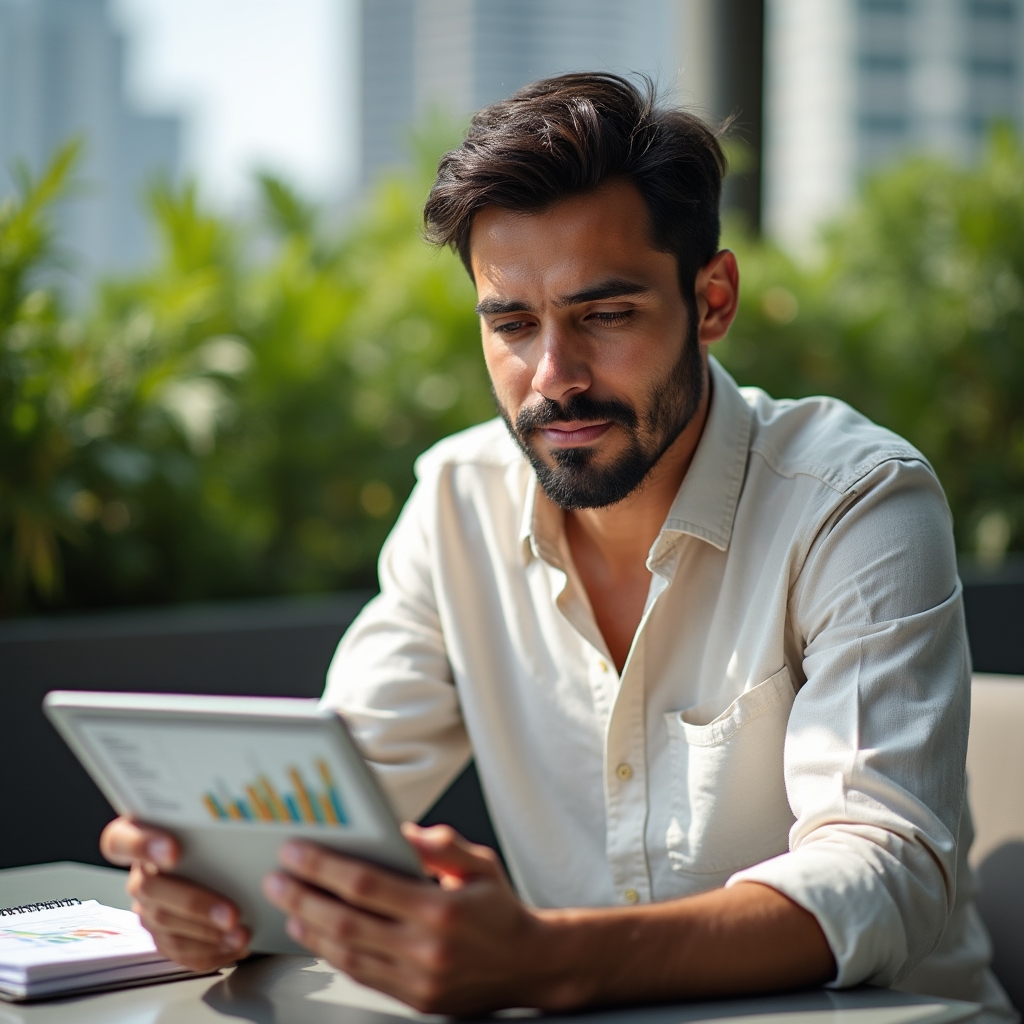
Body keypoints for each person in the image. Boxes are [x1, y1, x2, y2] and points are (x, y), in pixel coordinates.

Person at [100, 73, 1015, 1018]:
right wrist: (220, 885)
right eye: (512, 324)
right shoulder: (457, 503)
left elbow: (885, 870)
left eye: (605, 316)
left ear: (712, 300)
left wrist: (547, 961)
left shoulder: (856, 502)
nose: (554, 377)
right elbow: (333, 799)